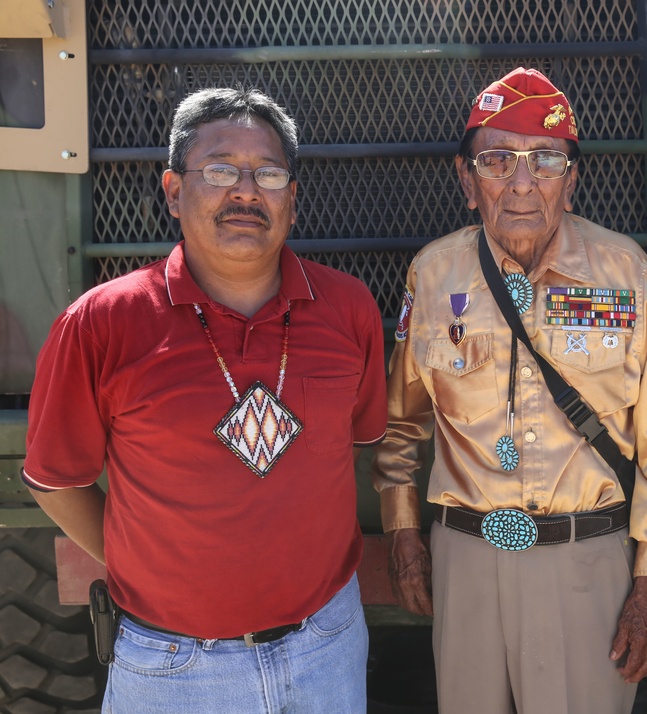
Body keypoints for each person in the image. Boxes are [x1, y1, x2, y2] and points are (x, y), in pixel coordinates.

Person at [22, 87, 387, 713]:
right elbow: (56, 481)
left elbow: (358, 438)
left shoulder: (350, 309)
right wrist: (149, 566)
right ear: (172, 191)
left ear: (291, 199)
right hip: (172, 665)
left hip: (326, 647)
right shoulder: (102, 323)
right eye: (219, 170)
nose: (246, 190)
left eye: (268, 174)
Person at [370, 67, 647, 714]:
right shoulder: (433, 276)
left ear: (571, 181)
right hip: (464, 562)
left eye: (545, 160)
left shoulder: (625, 273)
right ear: (467, 180)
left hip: (587, 561)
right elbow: (403, 423)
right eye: (496, 161)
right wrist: (404, 533)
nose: (521, 182)